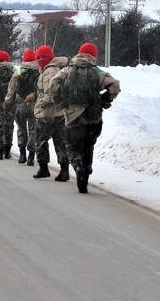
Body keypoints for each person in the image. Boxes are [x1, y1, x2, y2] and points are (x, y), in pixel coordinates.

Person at [49, 42, 121, 193]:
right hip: (93, 117)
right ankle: (86, 176)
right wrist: (105, 99)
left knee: (72, 146)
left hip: (73, 116)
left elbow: (53, 84)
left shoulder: (68, 71)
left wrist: (59, 100)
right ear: (93, 56)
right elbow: (115, 85)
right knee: (88, 146)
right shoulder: (96, 72)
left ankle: (77, 166)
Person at [31, 45, 71, 182]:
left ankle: (43, 168)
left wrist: (46, 109)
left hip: (47, 113)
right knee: (60, 142)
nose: (39, 60)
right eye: (38, 58)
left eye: (41, 57)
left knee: (41, 141)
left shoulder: (49, 71)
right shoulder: (58, 68)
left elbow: (49, 91)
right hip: (60, 112)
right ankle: (64, 171)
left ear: (47, 58)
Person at [4, 48, 41, 165]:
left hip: (21, 104)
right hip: (35, 103)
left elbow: (11, 89)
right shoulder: (40, 70)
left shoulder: (19, 72)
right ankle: (31, 155)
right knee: (33, 129)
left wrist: (8, 102)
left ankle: (22, 154)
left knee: (21, 128)